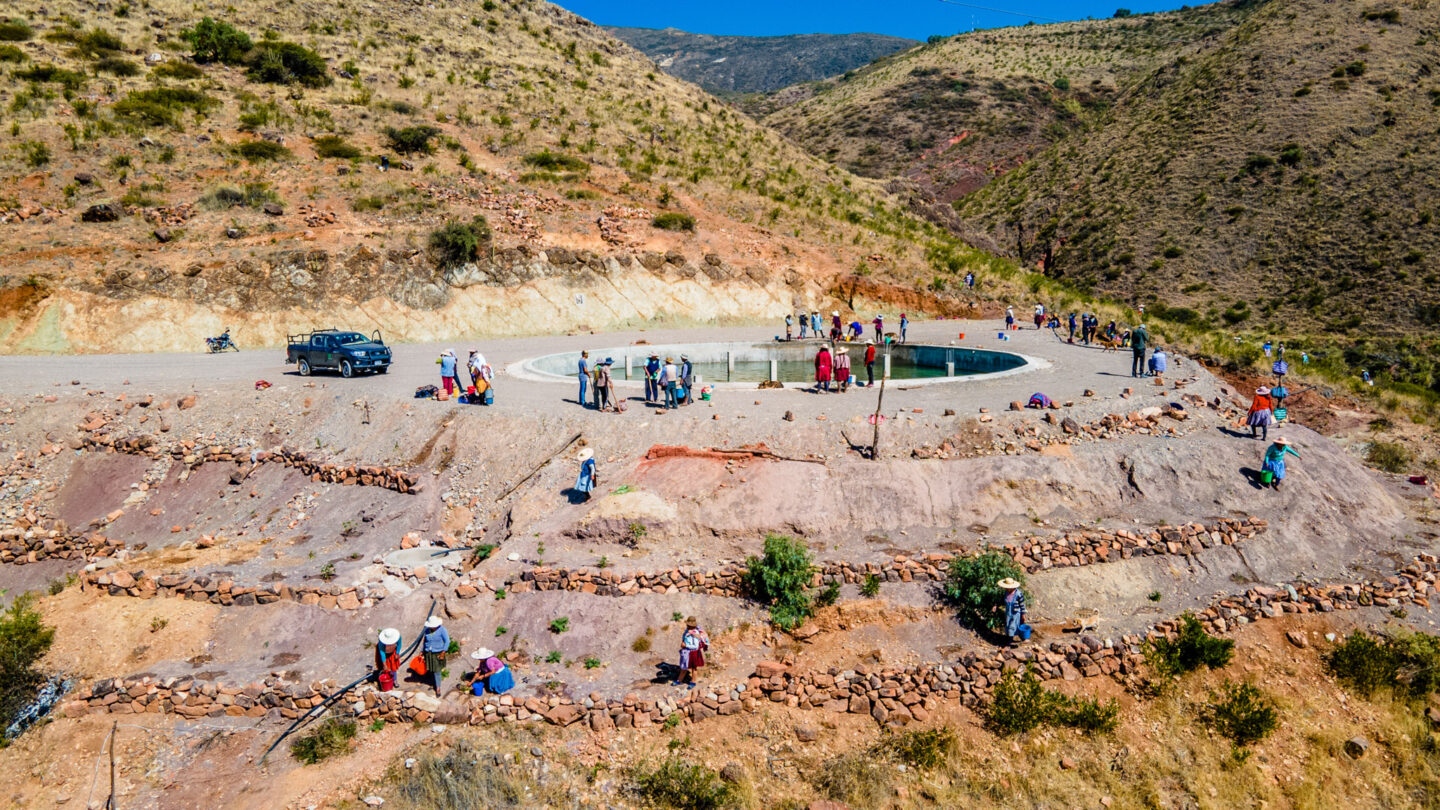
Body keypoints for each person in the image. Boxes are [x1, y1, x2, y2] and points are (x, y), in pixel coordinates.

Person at [420, 616, 450, 697]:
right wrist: (422, 651)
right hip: (428, 653)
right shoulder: (427, 630)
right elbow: (425, 641)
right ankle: (432, 680)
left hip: (438, 653)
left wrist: (443, 652)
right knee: (430, 668)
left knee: (437, 671)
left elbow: (447, 641)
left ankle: (438, 687)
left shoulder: (442, 630)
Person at [677, 617, 709, 688]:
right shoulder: (687, 632)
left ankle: (693, 682)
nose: (687, 626)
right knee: (684, 667)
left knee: (694, 668)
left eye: (688, 625)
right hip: (687, 652)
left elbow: (695, 646)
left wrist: (685, 645)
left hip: (694, 653)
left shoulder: (695, 634)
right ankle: (679, 680)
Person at [996, 577, 1028, 644]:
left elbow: (1022, 605)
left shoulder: (1018, 594)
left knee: (1012, 626)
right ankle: (1013, 638)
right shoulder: (1006, 593)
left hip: (1015, 613)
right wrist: (996, 606)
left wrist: (1023, 614)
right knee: (1008, 626)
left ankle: (1009, 642)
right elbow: (1002, 601)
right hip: (1008, 613)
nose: (1006, 589)